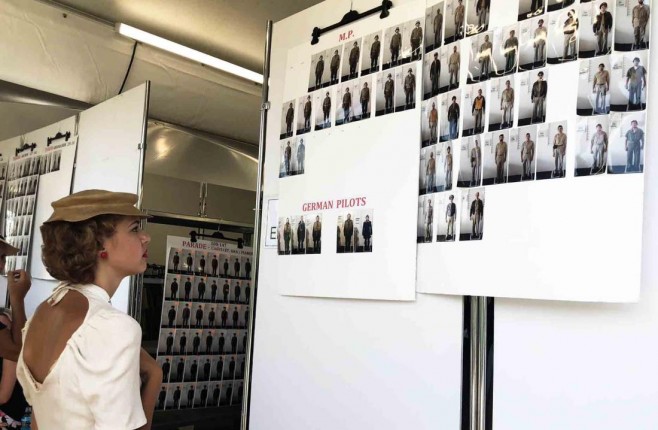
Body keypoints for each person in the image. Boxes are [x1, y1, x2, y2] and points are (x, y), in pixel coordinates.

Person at [17, 190, 161, 429]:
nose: (146, 237)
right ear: (98, 244)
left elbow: (38, 419)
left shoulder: (45, 310)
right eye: (135, 229)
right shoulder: (112, 326)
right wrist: (155, 376)